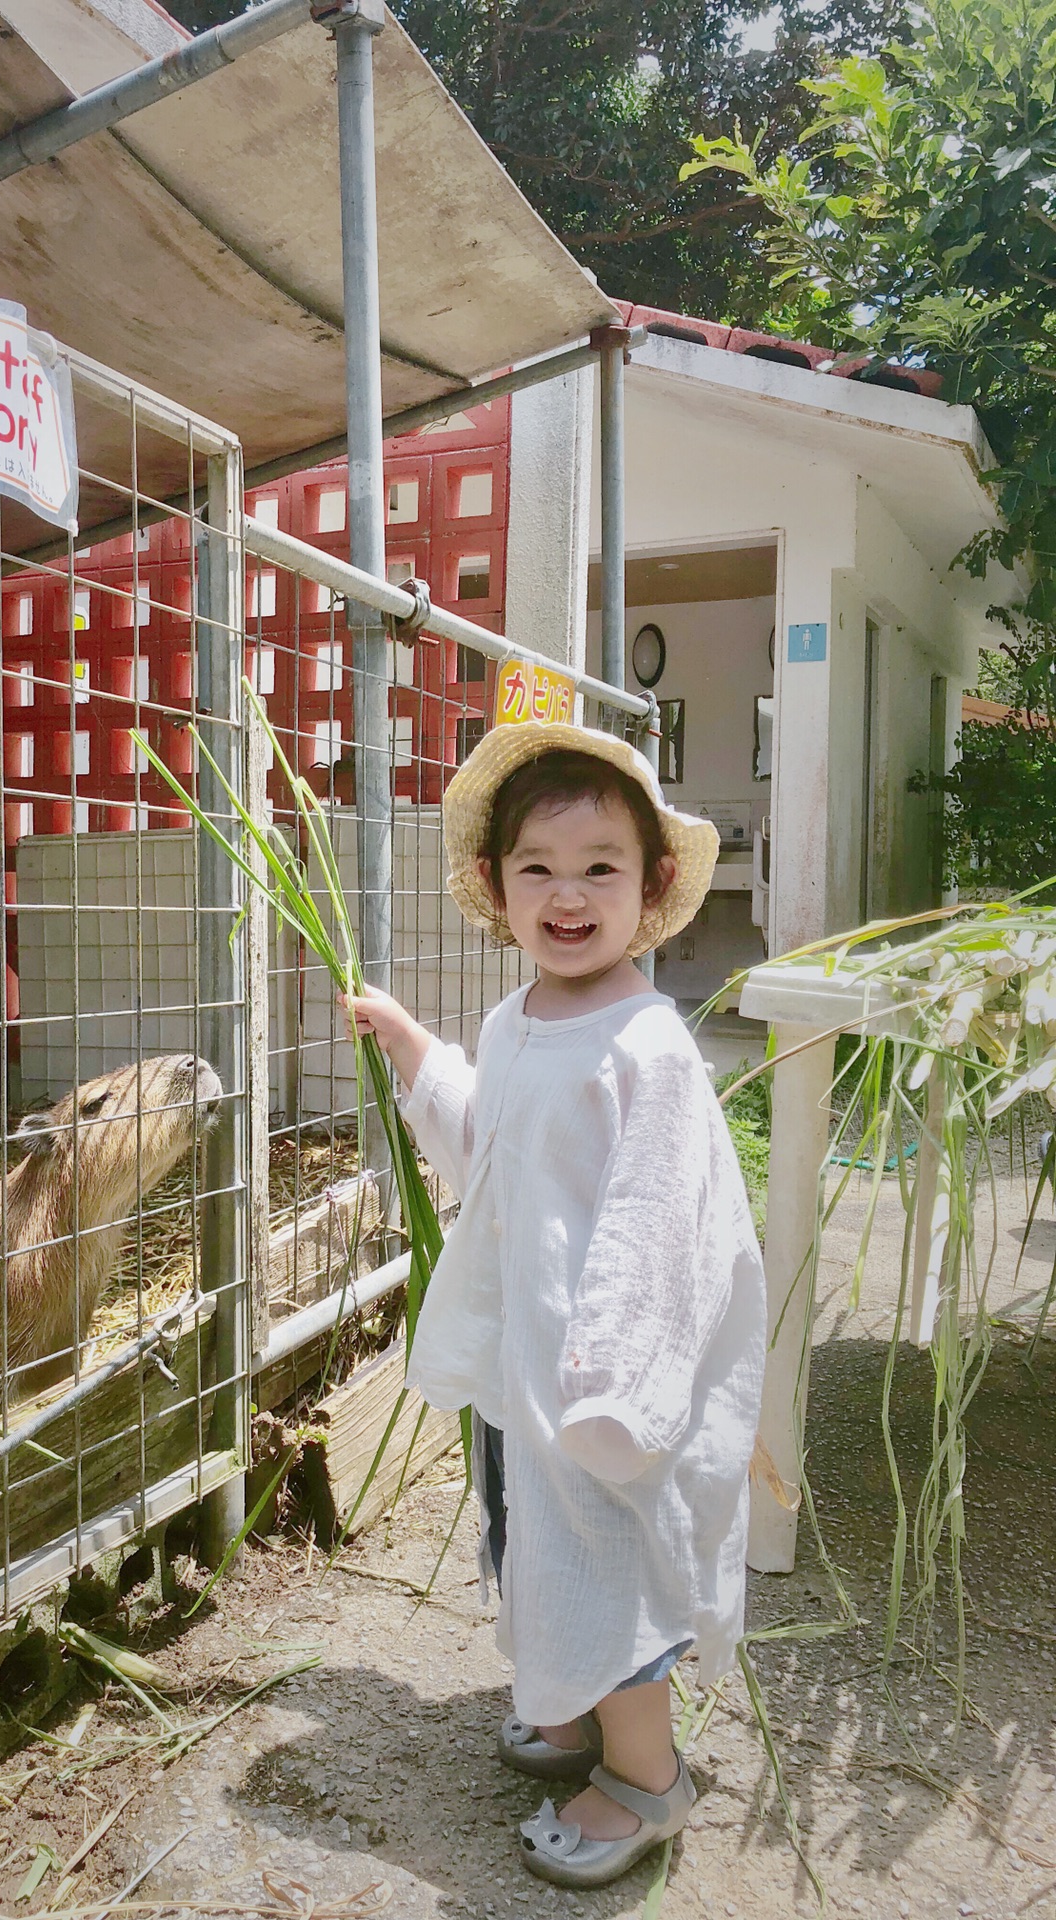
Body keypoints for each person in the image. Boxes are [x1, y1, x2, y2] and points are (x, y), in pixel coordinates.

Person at [341, 722, 765, 1891]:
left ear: (653, 884)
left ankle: (645, 1781)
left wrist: (616, 1384)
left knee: (606, 1565)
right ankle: (571, 1713)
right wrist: (415, 1044)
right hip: (529, 1374)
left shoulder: (650, 1049)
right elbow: (489, 1143)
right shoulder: (515, 1021)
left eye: (599, 869)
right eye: (538, 867)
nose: (568, 895)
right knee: (528, 1544)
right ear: (495, 885)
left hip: (603, 1385)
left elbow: (654, 1227)